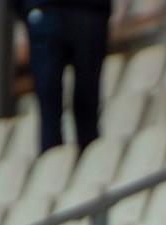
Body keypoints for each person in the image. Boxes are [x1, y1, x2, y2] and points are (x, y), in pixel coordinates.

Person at [15, 0, 110, 153]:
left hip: (85, 12)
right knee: (51, 109)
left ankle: (87, 163)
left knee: (83, 103)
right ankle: (54, 168)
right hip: (55, 12)